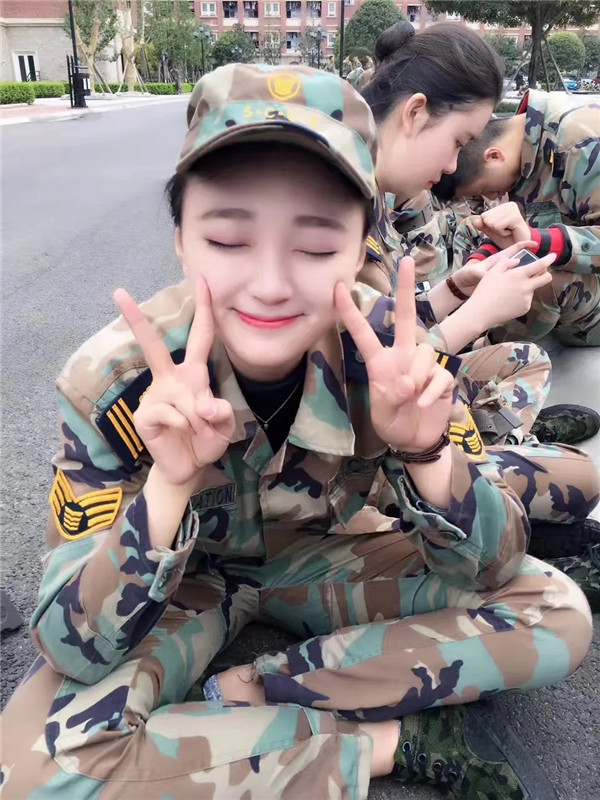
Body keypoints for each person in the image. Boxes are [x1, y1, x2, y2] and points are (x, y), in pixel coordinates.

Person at [1, 64, 595, 800]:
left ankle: (255, 693)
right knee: (31, 770)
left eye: (315, 248)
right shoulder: (112, 382)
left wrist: (428, 452)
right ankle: (389, 741)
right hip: (182, 585)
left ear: (360, 250)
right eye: (228, 239)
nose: (271, 284)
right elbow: (71, 645)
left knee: (557, 614)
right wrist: (167, 488)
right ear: (182, 241)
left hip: (324, 556)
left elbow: (494, 567)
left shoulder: (389, 352)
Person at [355, 21, 600, 562]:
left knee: (527, 358)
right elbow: (365, 376)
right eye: (458, 142)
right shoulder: (343, 203)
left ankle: (496, 450)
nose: (450, 165)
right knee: (581, 479)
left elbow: (381, 321)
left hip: (398, 402)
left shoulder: (365, 187)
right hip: (363, 447)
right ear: (415, 113)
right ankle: (482, 490)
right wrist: (472, 317)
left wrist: (453, 290)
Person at [432, 90, 600, 347]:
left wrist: (535, 239)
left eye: (483, 190)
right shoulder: (521, 142)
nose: (489, 197)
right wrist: (477, 266)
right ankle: (466, 312)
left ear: (493, 156)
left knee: (538, 277)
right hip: (571, 265)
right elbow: (509, 229)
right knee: (473, 228)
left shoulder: (583, 145)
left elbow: (530, 237)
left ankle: (482, 348)